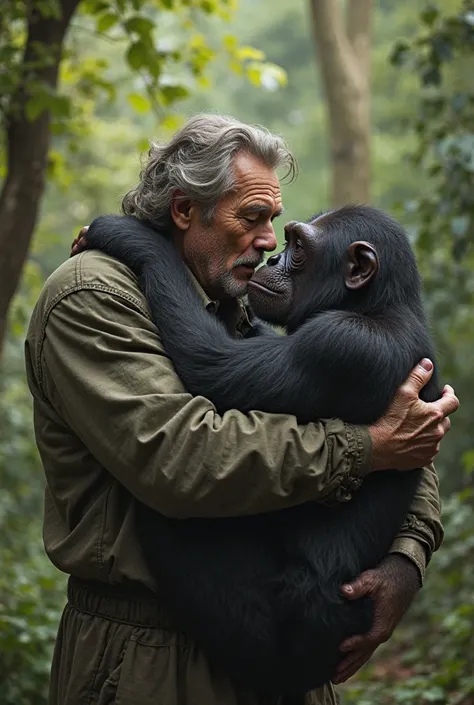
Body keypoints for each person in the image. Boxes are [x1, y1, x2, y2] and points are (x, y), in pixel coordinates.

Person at [25, 114, 458, 705]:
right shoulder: (96, 296)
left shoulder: (242, 303)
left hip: (274, 627)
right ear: (184, 211)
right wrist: (366, 450)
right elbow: (181, 459)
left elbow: (412, 437)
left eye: (275, 225)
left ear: (357, 270)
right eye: (251, 219)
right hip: (145, 660)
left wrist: (407, 555)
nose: (268, 243)